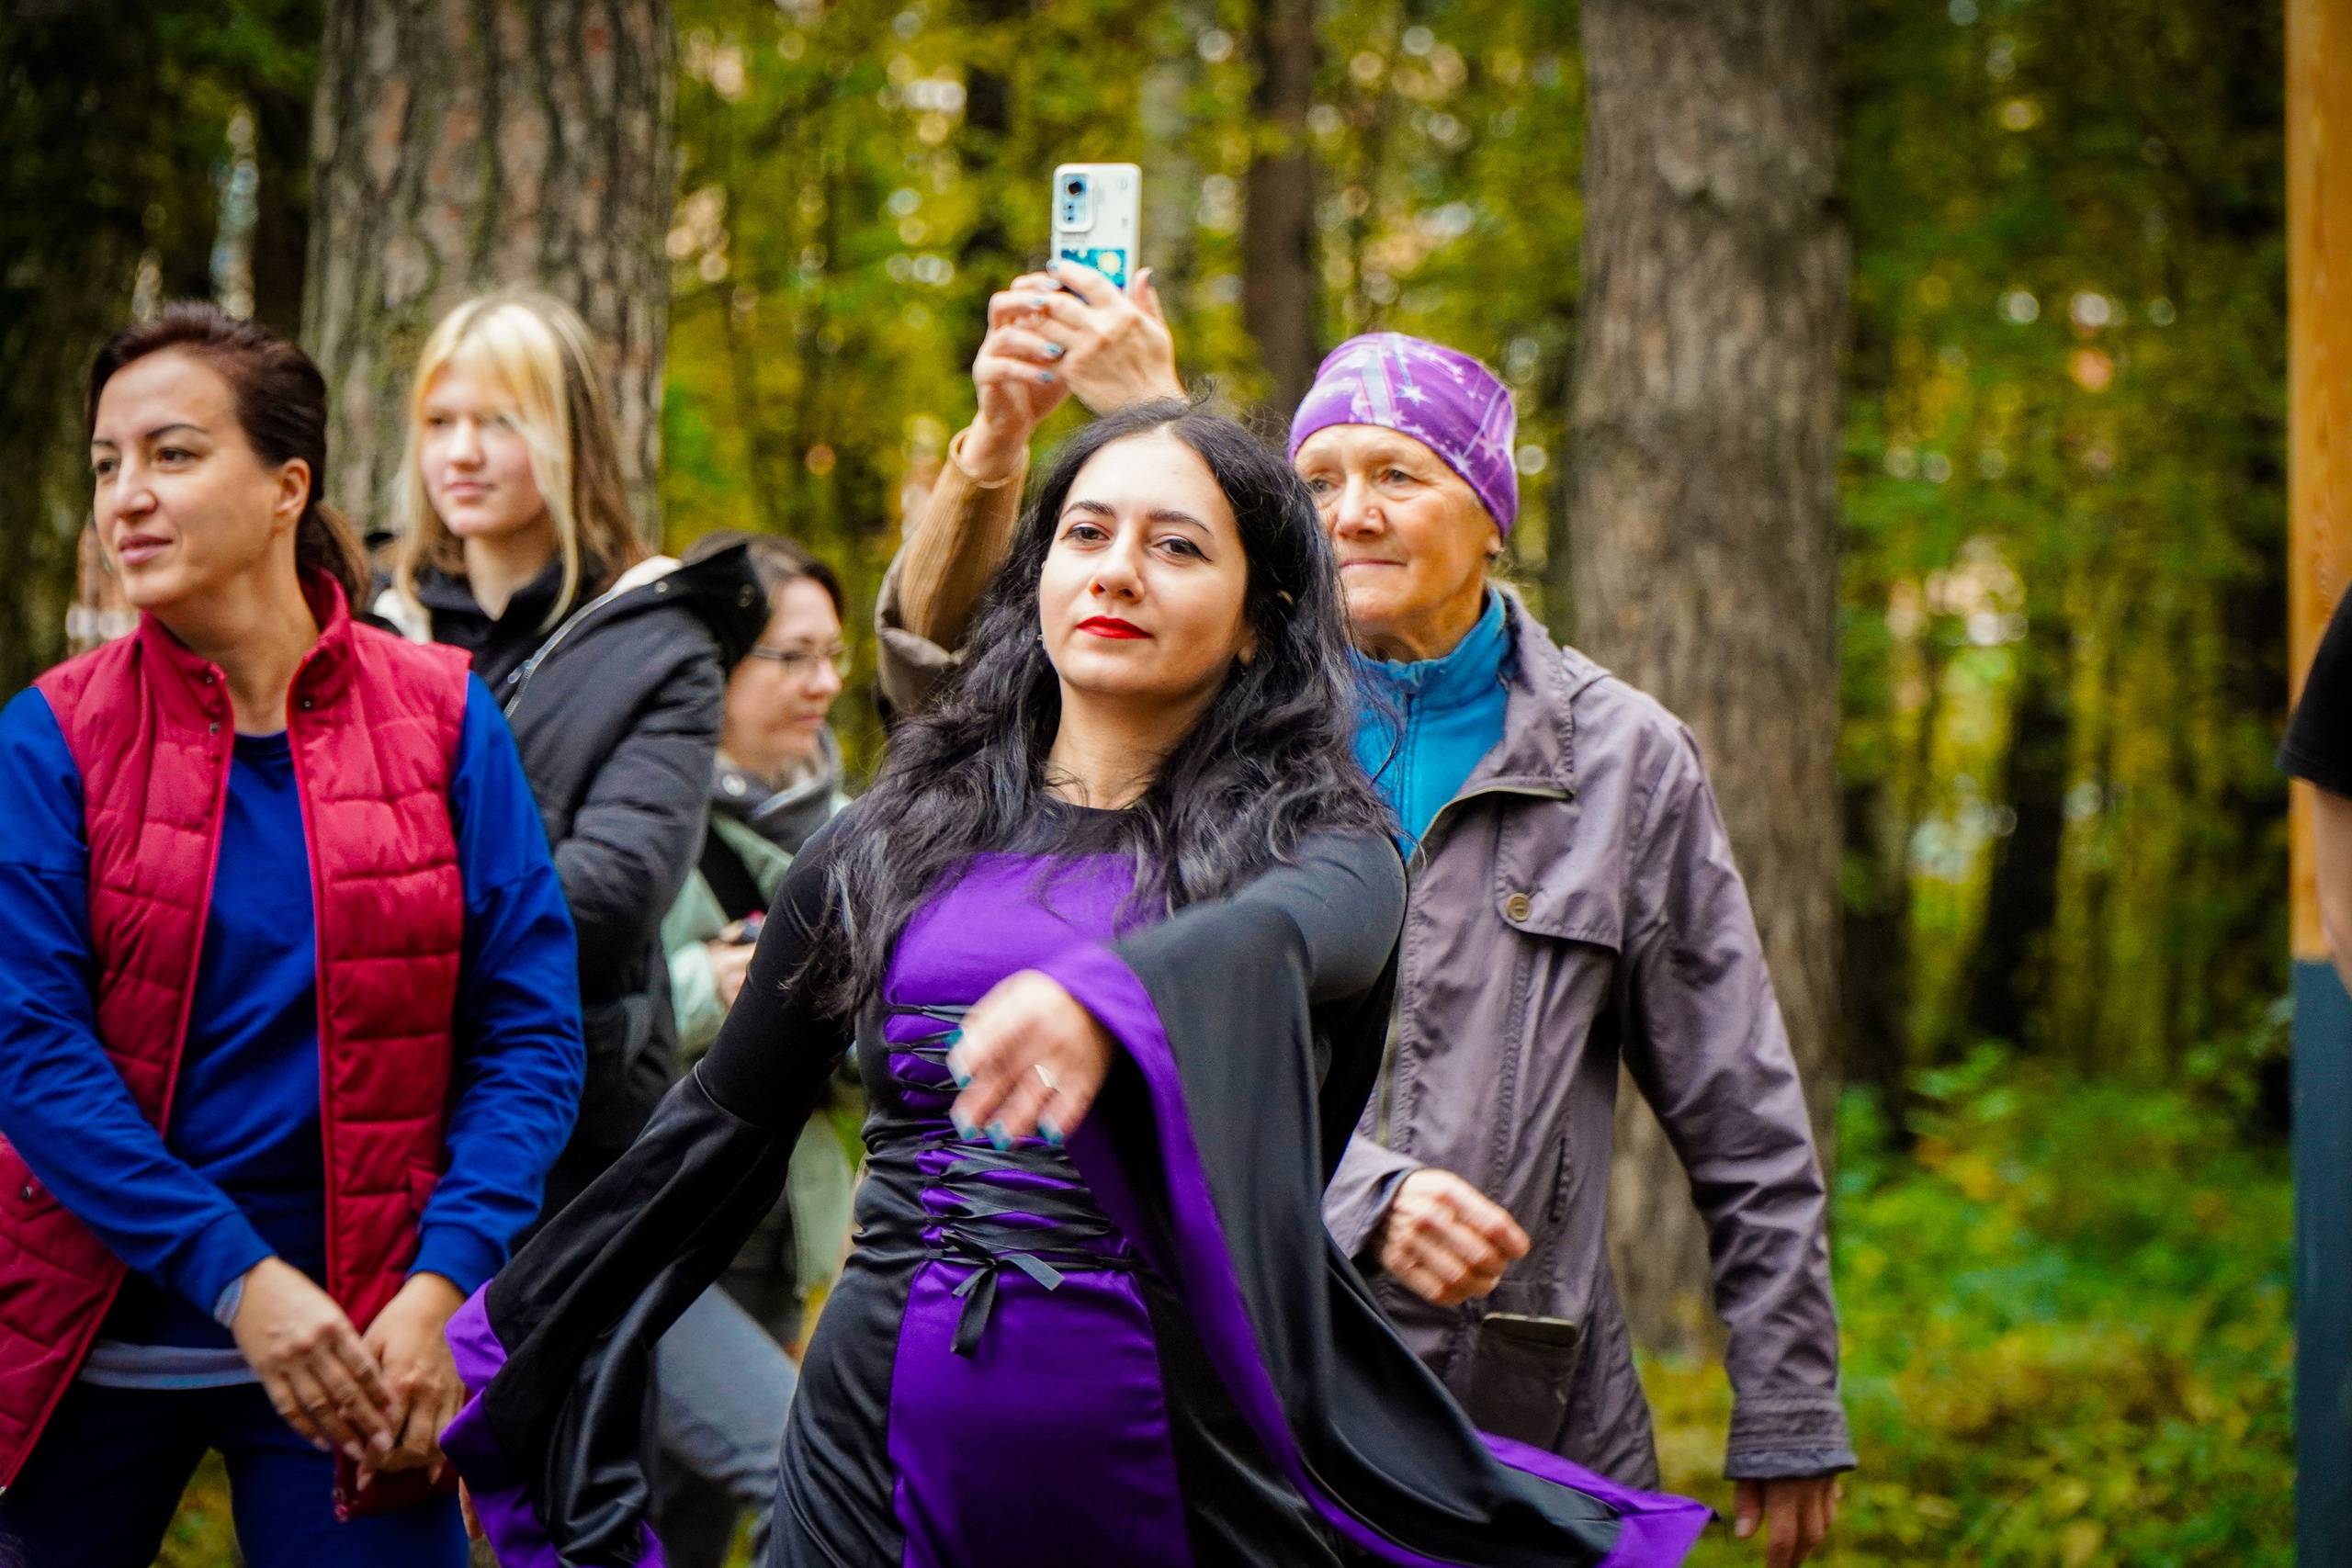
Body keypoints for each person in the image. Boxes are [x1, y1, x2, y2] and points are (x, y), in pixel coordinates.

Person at [438, 402, 1712, 1567]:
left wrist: (1116, 997)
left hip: (1181, 1460)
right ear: (1039, 576)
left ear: (1259, 615)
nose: (1115, 570)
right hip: (867, 1452)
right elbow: (716, 1129)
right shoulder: (885, 839)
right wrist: (515, 1326)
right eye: (1087, 534)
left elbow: (1271, 940)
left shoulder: (1326, 848)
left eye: (1177, 546)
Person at [877, 265, 1854, 1568]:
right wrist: (999, 443)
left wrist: (1789, 1402)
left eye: (1400, 474)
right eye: (1320, 479)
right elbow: (952, 701)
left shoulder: (1624, 758)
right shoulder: (1206, 708)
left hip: (1510, 1384)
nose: (1353, 513)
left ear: (1492, 514)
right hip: (1226, 1369)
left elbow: (1740, 1102)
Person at [0, 304, 584, 1567]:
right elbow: (29, 1051)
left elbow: (529, 1029)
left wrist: (444, 1282)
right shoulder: (51, 734)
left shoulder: (441, 716)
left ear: (287, 487)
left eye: (171, 453)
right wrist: (239, 1277)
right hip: (81, 1336)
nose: (126, 496)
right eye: (106, 463)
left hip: (367, 1341)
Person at [373, 290, 793, 1567]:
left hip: (579, 1153)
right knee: (385, 1496)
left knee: (577, 1501)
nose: (462, 452)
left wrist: (376, 920)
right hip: (378, 1134)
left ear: (570, 438)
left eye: (500, 420)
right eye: (440, 420)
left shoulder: (659, 638)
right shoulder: (370, 627)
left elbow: (608, 895)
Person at [652, 529, 860, 1566]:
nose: (823, 684)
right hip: (646, 1237)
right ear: (716, 664)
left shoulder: (857, 830)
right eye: (792, 656)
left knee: (676, 1531)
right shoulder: (640, 812)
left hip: (772, 1233)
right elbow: (562, 1010)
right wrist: (713, 986)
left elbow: (873, 1067)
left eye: (833, 656)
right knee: (805, 1474)